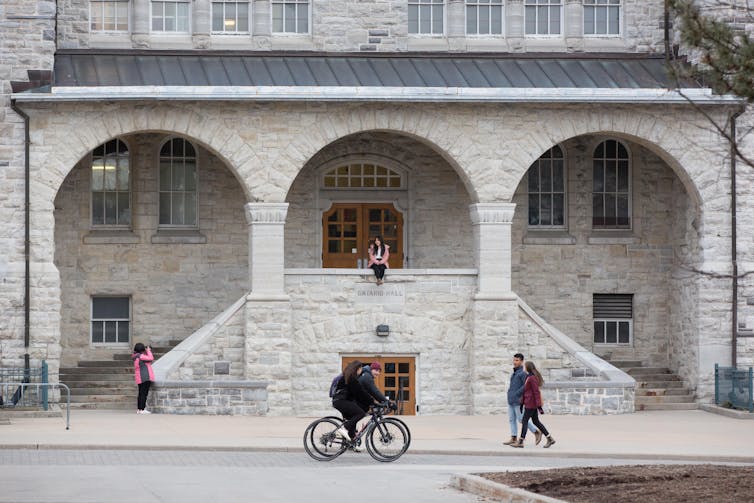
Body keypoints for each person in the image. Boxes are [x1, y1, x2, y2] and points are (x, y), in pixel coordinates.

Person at [332, 360, 375, 450]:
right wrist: (372, 402)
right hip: (341, 401)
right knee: (360, 413)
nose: (361, 371)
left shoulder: (348, 376)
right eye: (361, 369)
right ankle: (344, 428)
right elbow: (361, 392)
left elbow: (358, 394)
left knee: (353, 417)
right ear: (358, 369)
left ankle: (352, 442)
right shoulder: (351, 378)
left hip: (340, 401)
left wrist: (368, 403)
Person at [513, 361, 555, 448]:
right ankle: (550, 438)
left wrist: (539, 406)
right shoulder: (529, 377)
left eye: (524, 366)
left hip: (531, 404)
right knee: (536, 421)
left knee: (525, 421)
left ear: (527, 367)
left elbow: (536, 392)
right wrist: (522, 403)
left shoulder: (532, 378)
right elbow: (526, 391)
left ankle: (521, 441)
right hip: (530, 403)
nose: (523, 368)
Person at [503, 353, 541, 446]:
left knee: (521, 419)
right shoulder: (515, 373)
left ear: (522, 361)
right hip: (511, 400)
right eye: (514, 360)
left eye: (517, 360)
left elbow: (526, 386)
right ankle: (513, 437)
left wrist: (517, 394)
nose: (514, 362)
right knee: (512, 420)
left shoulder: (522, 373)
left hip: (518, 400)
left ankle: (536, 431)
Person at [132, 342, 155, 414]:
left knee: (140, 393)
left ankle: (139, 409)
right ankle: (142, 409)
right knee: (144, 393)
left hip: (139, 377)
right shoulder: (140, 356)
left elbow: (147, 360)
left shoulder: (136, 356)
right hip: (145, 377)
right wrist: (148, 350)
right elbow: (151, 358)